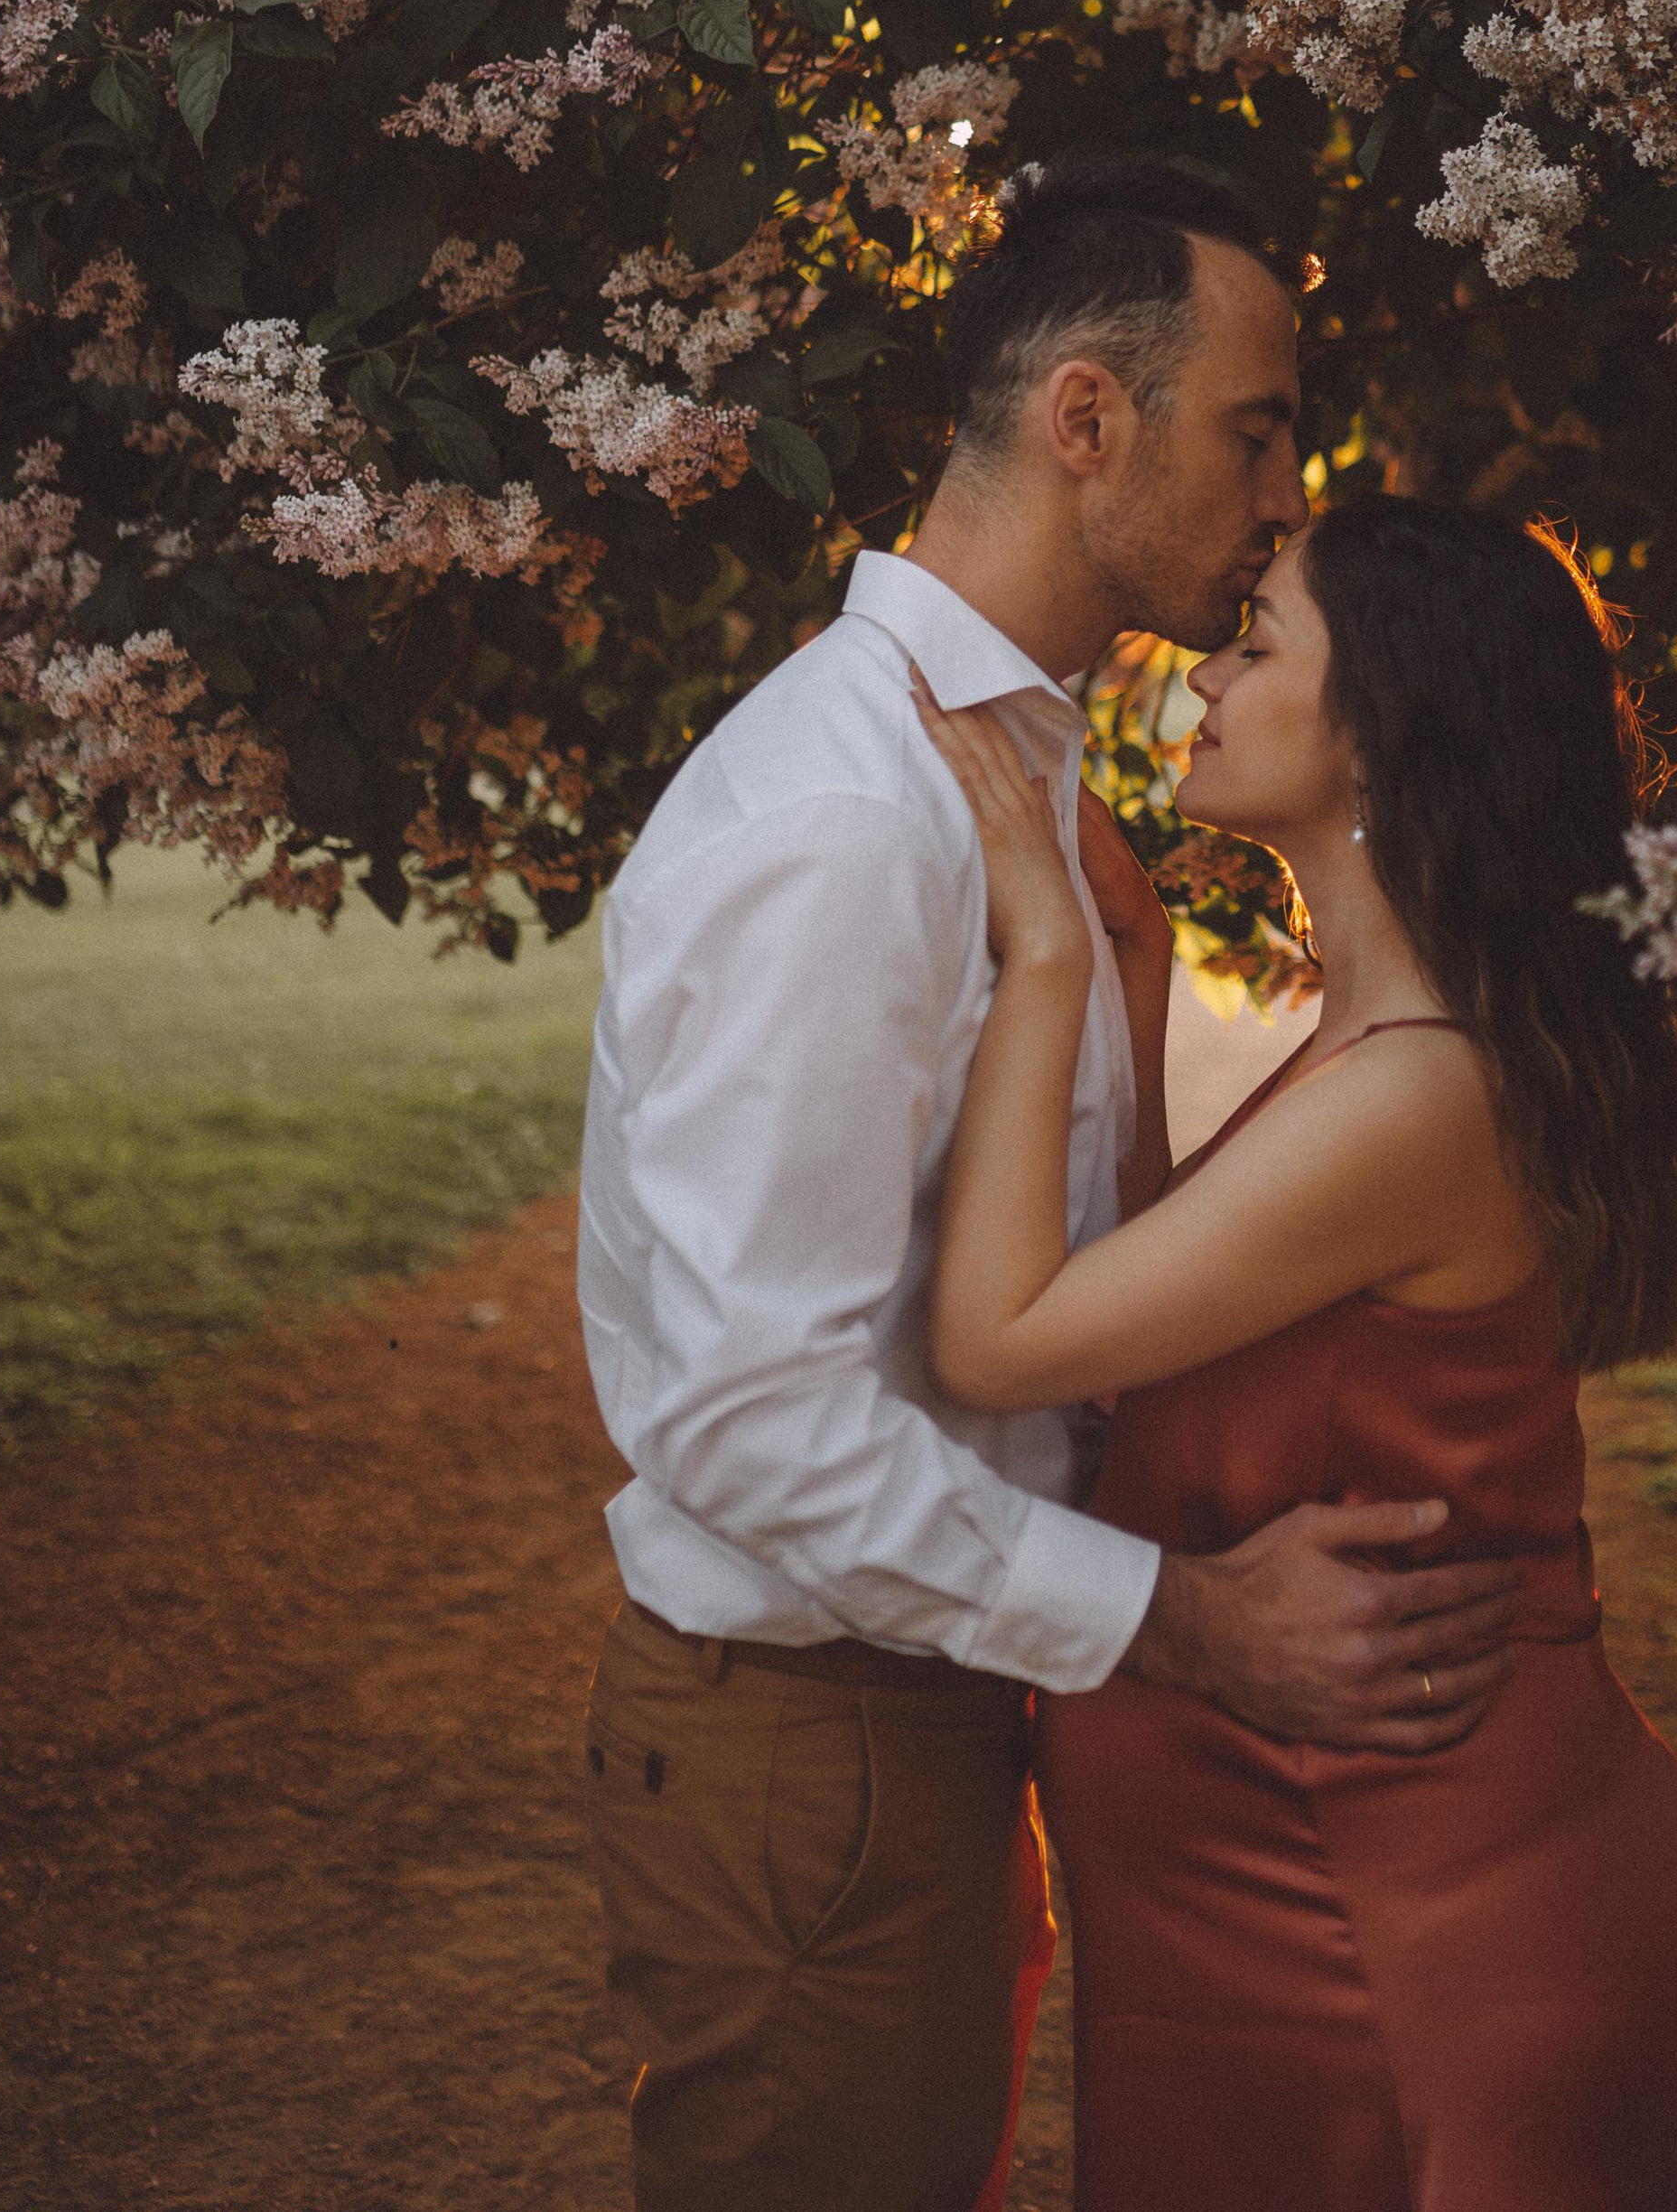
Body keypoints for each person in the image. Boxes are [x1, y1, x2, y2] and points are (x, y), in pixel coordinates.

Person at [577, 156, 1538, 2212]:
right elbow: (748, 1416)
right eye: (1255, 430)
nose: (1288, 497)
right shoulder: (849, 813)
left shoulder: (1013, 788)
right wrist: (1179, 1625)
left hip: (916, 1706)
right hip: (812, 1727)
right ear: (1087, 417)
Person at [915, 495, 1677, 2212]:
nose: (1204, 672)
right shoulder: (1379, 1047)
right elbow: (1139, 1331)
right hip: (1310, 1905)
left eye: (1260, 641)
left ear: (1379, 723)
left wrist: (1048, 954)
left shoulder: (1416, 1095)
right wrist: (1142, 966)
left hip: (1435, 1943)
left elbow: (1005, 1339)